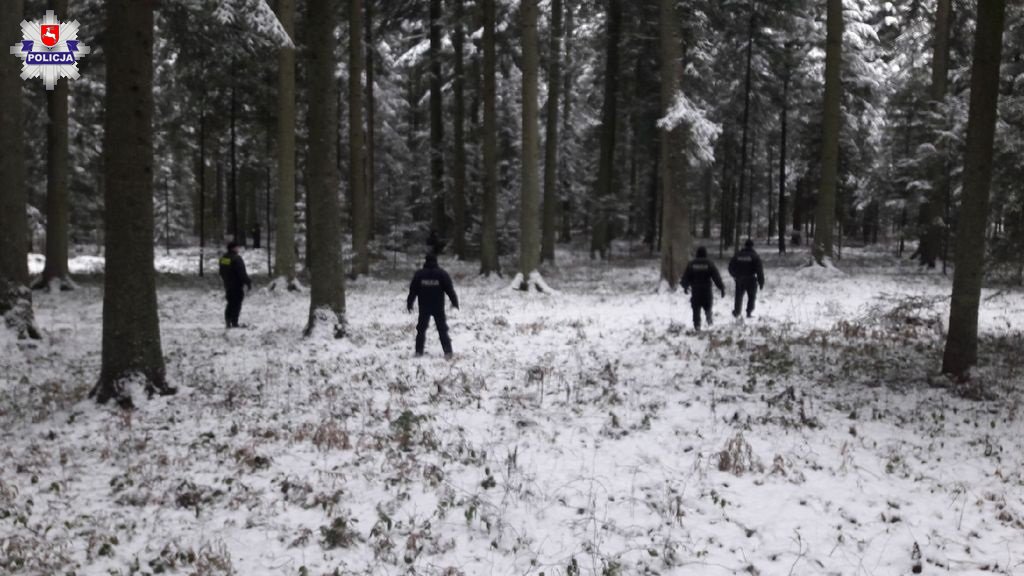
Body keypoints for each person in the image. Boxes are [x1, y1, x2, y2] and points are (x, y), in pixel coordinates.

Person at [407, 253, 459, 358]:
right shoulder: (442, 274)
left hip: (424, 307)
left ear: (425, 261)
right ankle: (448, 351)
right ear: (436, 261)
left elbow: (413, 291)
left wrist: (410, 304)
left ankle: (418, 351)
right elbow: (449, 290)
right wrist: (454, 302)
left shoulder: (419, 274)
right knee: (442, 329)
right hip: (438, 307)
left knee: (421, 330)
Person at [680, 246, 725, 331]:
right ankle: (709, 319)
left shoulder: (692, 264)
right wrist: (721, 287)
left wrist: (685, 286)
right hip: (706, 290)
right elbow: (716, 277)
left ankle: (697, 325)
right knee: (708, 306)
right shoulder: (709, 263)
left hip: (696, 290)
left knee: (696, 308)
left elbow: (686, 277)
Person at [728, 239, 765, 319]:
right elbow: (759, 270)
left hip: (740, 279)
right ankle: (749, 312)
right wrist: (761, 282)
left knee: (738, 296)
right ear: (752, 246)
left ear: (745, 245)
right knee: (751, 296)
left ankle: (737, 312)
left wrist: (735, 275)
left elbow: (730, 267)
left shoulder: (738, 255)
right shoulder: (755, 256)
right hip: (751, 279)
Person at [219, 241, 252, 328]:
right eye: (237, 247)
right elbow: (242, 273)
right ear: (233, 248)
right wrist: (248, 282)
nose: (238, 249)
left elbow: (221, 272)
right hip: (237, 285)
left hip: (228, 285)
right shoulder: (236, 259)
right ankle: (234, 322)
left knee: (230, 303)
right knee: (236, 304)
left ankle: (228, 320)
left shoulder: (224, 259)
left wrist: (226, 280)